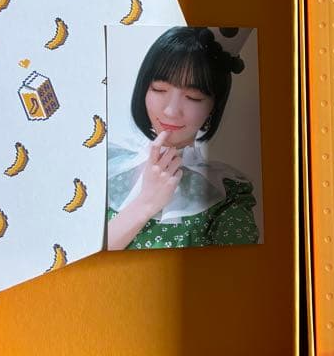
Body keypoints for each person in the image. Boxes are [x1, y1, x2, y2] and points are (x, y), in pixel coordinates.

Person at [106, 27, 259, 250]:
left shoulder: (227, 194)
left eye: (193, 97)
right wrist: (146, 202)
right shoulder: (105, 165)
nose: (170, 111)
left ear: (213, 107)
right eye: (159, 89)